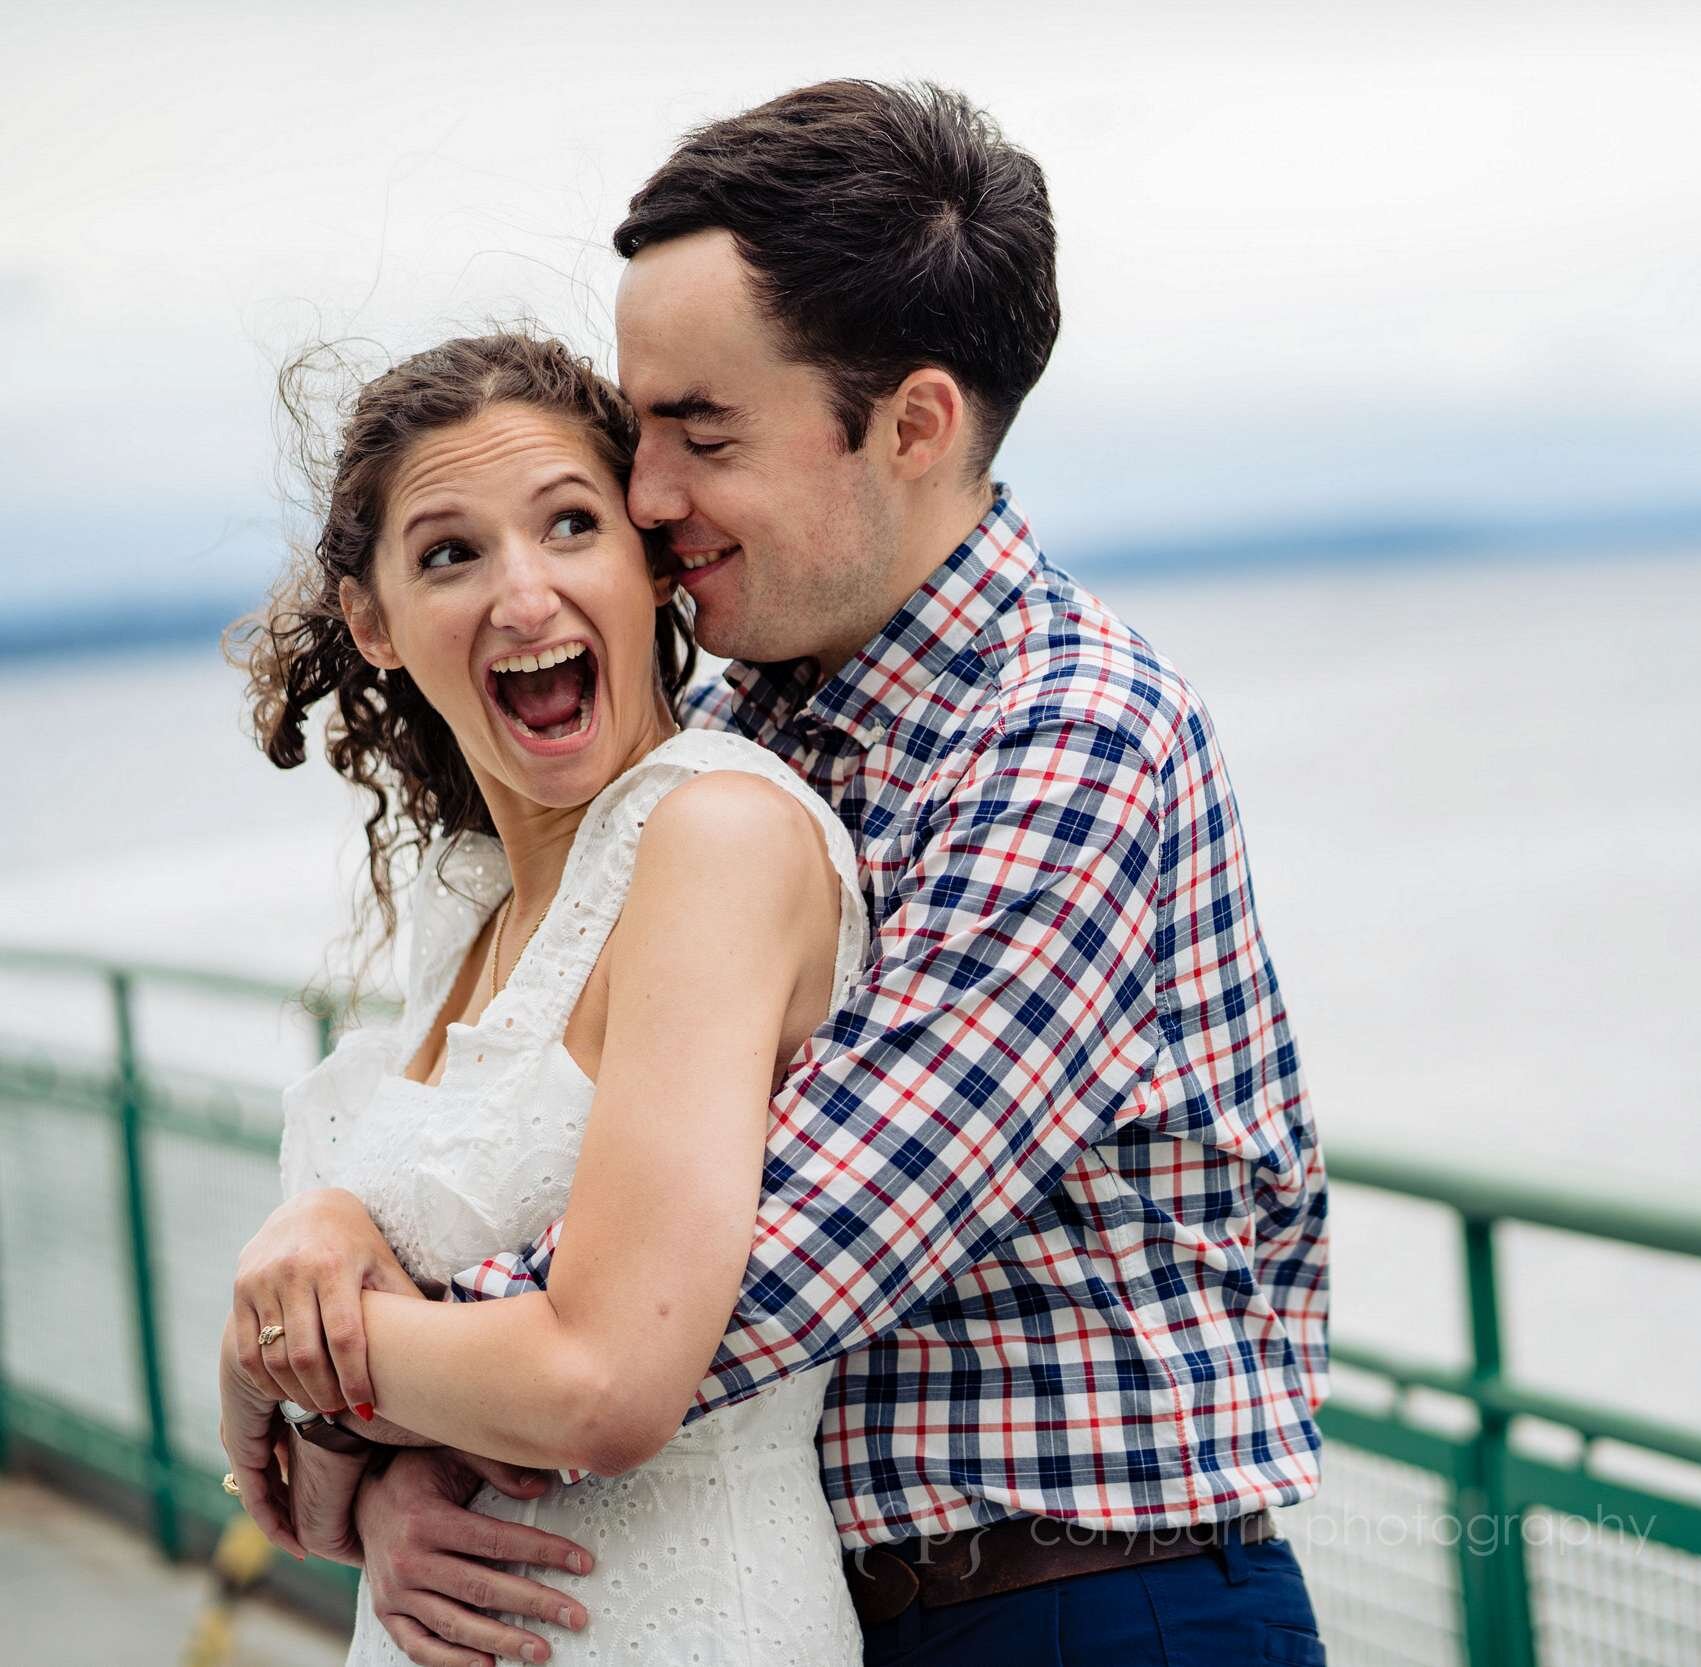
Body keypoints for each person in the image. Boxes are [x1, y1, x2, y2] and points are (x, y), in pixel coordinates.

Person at [230, 79, 1330, 1667]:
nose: (650, 493)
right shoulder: (727, 737)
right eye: (640, 423)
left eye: (701, 431)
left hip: (1091, 1608)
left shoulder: (1072, 739)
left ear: (914, 425)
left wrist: (338, 1398)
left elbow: (763, 1268)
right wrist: (388, 1422)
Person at [221, 331, 874, 1666]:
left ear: (647, 565)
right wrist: (378, 1445)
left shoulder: (721, 836)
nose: (525, 596)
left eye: (571, 525)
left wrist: (279, 1356)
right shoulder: (469, 906)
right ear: (375, 623)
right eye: (450, 553)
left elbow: (605, 1384)